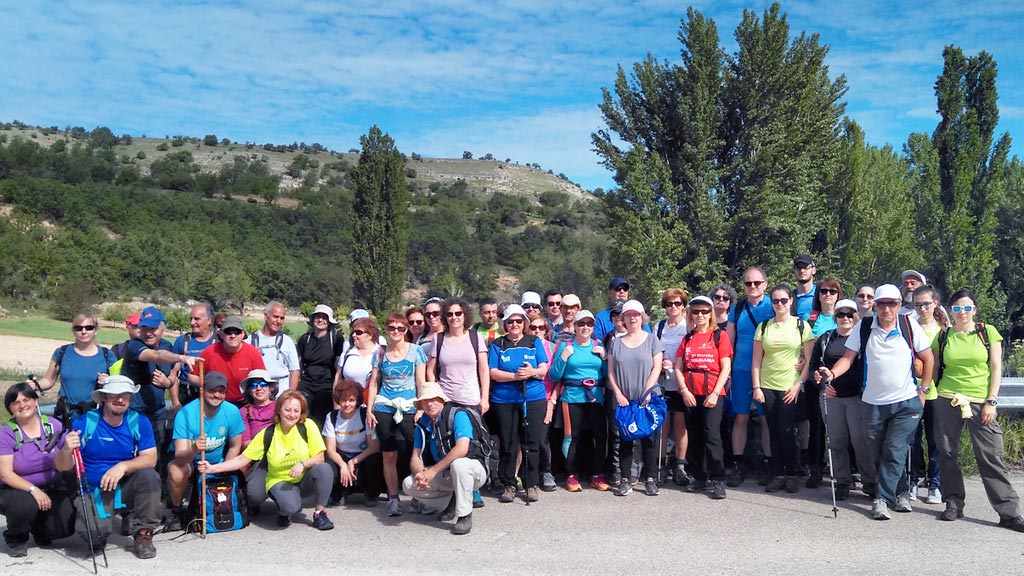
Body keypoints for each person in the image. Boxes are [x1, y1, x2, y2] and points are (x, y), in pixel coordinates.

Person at [817, 284, 934, 520]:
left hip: (906, 402)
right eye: (882, 304)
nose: (886, 309)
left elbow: (928, 358)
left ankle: (881, 499)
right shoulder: (865, 326)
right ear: (875, 305)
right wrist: (831, 374)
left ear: (899, 305)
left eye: (892, 304)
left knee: (894, 448)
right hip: (872, 402)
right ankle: (900, 492)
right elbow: (848, 359)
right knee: (879, 451)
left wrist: (923, 390)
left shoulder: (908, 325)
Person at [932, 290, 1024, 531]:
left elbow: (996, 368)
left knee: (990, 456)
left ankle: (1008, 512)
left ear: (975, 309)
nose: (962, 313)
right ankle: (953, 503)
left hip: (980, 401)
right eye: (957, 308)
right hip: (947, 398)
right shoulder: (943, 336)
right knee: (947, 453)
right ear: (950, 310)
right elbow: (933, 369)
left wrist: (991, 401)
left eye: (967, 308)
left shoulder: (987, 332)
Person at [198, 391, 334, 530]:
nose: (291, 414)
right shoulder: (268, 433)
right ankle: (283, 510)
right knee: (291, 507)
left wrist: (302, 464)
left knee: (324, 468)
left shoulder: (308, 426)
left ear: (301, 412)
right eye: (287, 409)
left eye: (296, 411)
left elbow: (319, 457)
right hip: (279, 480)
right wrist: (212, 468)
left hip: (304, 477)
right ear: (279, 410)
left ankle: (319, 513)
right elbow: (242, 459)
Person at [59, 375, 162, 559]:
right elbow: (62, 466)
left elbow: (150, 459)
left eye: (125, 395)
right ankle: (100, 527)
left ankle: (143, 534)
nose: (120, 399)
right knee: (94, 537)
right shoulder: (85, 422)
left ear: (130, 398)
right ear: (104, 397)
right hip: (94, 489)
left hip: (125, 487)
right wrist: (67, 450)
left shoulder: (139, 421)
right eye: (114, 395)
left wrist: (123, 466)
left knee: (149, 476)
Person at [806, 299, 874, 501]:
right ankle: (842, 481)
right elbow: (813, 369)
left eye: (849, 314)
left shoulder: (865, 338)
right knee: (836, 441)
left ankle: (870, 482)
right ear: (834, 317)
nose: (845, 318)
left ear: (856, 317)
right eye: (840, 314)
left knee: (860, 441)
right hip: (831, 396)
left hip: (857, 397)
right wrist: (821, 383)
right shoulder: (826, 339)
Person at [751, 285, 815, 493]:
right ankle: (777, 473)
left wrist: (799, 385)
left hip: (791, 386)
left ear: (791, 301)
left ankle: (792, 473)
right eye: (776, 301)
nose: (780, 304)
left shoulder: (801, 326)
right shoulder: (763, 327)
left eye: (784, 300)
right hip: (768, 386)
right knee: (773, 431)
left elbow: (809, 360)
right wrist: (756, 387)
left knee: (788, 431)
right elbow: (756, 361)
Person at [0, 382, 76, 558]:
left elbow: (65, 466)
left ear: (35, 402)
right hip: (15, 488)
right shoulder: (6, 434)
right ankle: (16, 538)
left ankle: (41, 529)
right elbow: (5, 473)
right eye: (16, 402)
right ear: (10, 409)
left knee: (66, 523)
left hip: (52, 486)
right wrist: (34, 490)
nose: (22, 405)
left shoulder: (53, 425)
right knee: (24, 505)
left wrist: (66, 450)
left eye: (27, 399)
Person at [403, 383, 489, 535]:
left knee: (459, 464)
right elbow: (415, 456)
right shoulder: (423, 423)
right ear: (421, 404)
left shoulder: (457, 415)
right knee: (408, 484)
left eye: (434, 399)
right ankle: (452, 501)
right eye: (425, 400)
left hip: (473, 469)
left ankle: (464, 515)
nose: (430, 403)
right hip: (447, 473)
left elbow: (462, 449)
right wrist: (420, 474)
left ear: (442, 400)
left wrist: (432, 471)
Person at [165, 370, 244, 531]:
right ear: (202, 390)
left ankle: (234, 505)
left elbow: (235, 446)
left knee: (241, 463)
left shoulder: (231, 411)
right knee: (175, 470)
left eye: (221, 391)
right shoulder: (185, 414)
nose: (217, 395)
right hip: (191, 462)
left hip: (216, 461)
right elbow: (180, 457)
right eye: (212, 390)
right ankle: (177, 510)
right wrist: (194, 449)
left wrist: (223, 468)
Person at [367, 312, 426, 517]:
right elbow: (374, 383)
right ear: (387, 330)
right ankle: (393, 498)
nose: (396, 332)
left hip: (409, 405)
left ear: (406, 330)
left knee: (414, 451)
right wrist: (369, 408)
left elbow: (421, 382)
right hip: (384, 404)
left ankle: (419, 495)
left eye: (401, 328)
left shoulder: (416, 351)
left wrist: (421, 407)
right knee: (388, 453)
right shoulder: (380, 352)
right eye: (392, 328)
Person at [488, 304, 549, 503]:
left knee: (531, 442)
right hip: (504, 399)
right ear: (505, 323)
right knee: (508, 443)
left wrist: (532, 372)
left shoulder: (534, 341)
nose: (514, 324)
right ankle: (508, 484)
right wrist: (515, 376)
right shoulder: (498, 344)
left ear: (525, 323)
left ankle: (531, 483)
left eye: (519, 321)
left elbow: (543, 368)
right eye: (510, 321)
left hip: (533, 398)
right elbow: (493, 372)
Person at [674, 296, 733, 499]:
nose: (700, 315)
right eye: (696, 311)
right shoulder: (687, 338)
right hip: (691, 393)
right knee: (695, 436)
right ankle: (699, 477)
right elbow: (678, 367)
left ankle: (718, 479)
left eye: (705, 311)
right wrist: (684, 390)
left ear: (711, 314)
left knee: (712, 436)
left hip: (713, 393)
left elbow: (726, 367)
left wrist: (716, 393)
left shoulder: (719, 336)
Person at [607, 300, 664, 497]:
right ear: (623, 318)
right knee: (624, 439)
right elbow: (611, 372)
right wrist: (618, 393)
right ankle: (625, 478)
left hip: (646, 399)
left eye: (636, 315)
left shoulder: (652, 340)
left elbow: (657, 367)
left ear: (642, 317)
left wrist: (648, 391)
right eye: (628, 315)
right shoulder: (616, 342)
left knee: (648, 439)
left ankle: (650, 478)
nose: (632, 318)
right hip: (625, 400)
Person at [548, 310, 609, 492]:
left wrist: (604, 359)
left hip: (596, 398)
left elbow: (607, 376)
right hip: (572, 397)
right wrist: (565, 357)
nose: (585, 327)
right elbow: (554, 375)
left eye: (589, 324)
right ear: (574, 326)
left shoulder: (599, 346)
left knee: (600, 437)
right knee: (571, 437)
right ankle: (571, 474)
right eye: (581, 324)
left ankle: (597, 475)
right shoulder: (565, 346)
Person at [725, 267, 775, 487]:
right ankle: (737, 464)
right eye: (748, 284)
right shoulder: (736, 310)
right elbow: (728, 343)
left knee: (766, 419)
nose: (752, 287)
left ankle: (768, 462)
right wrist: (726, 373)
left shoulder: (774, 305)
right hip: (741, 369)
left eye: (757, 283)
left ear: (765, 283)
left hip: (768, 371)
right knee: (740, 418)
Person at [119, 306, 190, 454]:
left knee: (156, 454)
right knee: (132, 454)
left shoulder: (167, 345)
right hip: (134, 412)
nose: (149, 333)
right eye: (144, 328)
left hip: (157, 413)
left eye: (153, 328)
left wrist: (168, 382)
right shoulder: (135, 345)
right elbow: (156, 356)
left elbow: (172, 374)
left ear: (162, 328)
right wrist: (182, 357)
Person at [34, 311, 117, 427]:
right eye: (79, 328)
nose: (84, 331)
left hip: (94, 419)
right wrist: (33, 385)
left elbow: (117, 386)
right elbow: (48, 380)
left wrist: (108, 381)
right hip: (64, 416)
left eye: (89, 328)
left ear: (96, 330)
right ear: (73, 331)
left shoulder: (107, 355)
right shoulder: (61, 352)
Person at [909, 285, 949, 504]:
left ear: (935, 303)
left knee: (935, 441)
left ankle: (935, 484)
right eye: (918, 304)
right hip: (912, 391)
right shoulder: (909, 325)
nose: (922, 308)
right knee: (912, 441)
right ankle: (913, 480)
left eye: (926, 303)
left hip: (937, 392)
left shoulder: (945, 328)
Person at [322, 379, 383, 507]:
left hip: (363, 454)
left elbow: (374, 446)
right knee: (329, 465)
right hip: (341, 454)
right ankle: (338, 494)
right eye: (343, 400)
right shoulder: (331, 417)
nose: (347, 404)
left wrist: (353, 461)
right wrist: (343, 465)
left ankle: (371, 494)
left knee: (374, 461)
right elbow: (331, 450)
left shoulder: (364, 415)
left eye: (351, 400)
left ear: (357, 401)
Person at [425, 299, 489, 413]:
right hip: (445, 401)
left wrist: (484, 398)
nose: (454, 317)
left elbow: (484, 370)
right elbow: (430, 370)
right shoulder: (438, 339)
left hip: (471, 400)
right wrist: (435, 395)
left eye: (458, 313)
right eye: (449, 314)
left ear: (465, 315)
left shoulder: (476, 337)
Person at [654, 288, 690, 485]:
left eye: (677, 303)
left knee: (680, 425)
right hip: (662, 382)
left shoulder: (688, 326)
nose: (673, 307)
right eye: (669, 304)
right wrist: (659, 365)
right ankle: (661, 464)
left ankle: (680, 465)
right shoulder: (659, 327)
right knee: (662, 425)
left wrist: (676, 365)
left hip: (682, 383)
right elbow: (652, 353)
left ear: (683, 305)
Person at [198, 315, 266, 406]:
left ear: (242, 335)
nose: (233, 336)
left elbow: (262, 379)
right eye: (228, 332)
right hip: (216, 402)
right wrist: (209, 383)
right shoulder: (209, 352)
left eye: (237, 332)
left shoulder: (253, 353)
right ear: (221, 334)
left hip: (245, 403)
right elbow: (192, 375)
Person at [297, 304, 345, 426]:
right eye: (317, 317)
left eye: (324, 317)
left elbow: (339, 364)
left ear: (329, 322)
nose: (320, 320)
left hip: (326, 383)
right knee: (302, 414)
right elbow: (299, 362)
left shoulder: (335, 338)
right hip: (307, 382)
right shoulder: (305, 339)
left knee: (320, 417)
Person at [170, 303, 218, 411]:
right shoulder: (182, 342)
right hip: (186, 396)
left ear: (209, 321)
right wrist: (176, 403)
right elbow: (173, 374)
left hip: (212, 395)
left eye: (197, 319)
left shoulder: (218, 342)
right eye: (191, 319)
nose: (192, 323)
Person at [249, 301, 300, 398]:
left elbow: (294, 371)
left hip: (281, 392)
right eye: (275, 317)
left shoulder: (287, 341)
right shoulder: (250, 340)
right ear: (265, 316)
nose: (278, 321)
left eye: (282, 318)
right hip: (258, 391)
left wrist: (289, 396)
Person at [335, 316, 381, 399]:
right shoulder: (347, 353)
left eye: (358, 332)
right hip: (349, 404)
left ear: (370, 335)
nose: (353, 335)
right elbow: (338, 378)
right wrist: (336, 404)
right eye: (353, 332)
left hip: (374, 404)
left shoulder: (381, 353)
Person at [239, 370, 276, 448]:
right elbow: (245, 443)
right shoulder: (244, 411)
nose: (259, 388)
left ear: (270, 389)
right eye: (254, 386)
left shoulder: (280, 407)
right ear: (249, 391)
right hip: (255, 454)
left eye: (263, 385)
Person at [792, 255, 818, 320]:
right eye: (798, 267)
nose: (802, 270)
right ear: (794, 271)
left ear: (814, 270)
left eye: (806, 267)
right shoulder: (788, 298)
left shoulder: (822, 294)